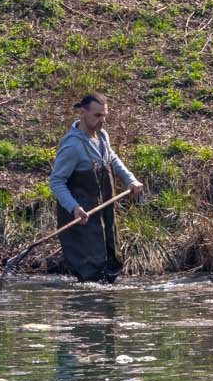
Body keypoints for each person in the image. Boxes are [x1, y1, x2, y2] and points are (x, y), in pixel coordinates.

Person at [49, 93, 144, 282]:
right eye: (97, 115)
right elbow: (56, 181)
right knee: (90, 271)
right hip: (81, 218)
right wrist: (74, 208)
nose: (103, 120)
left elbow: (112, 158)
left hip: (103, 214)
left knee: (109, 262)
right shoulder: (72, 146)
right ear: (83, 112)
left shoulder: (102, 136)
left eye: (105, 115)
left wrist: (130, 180)